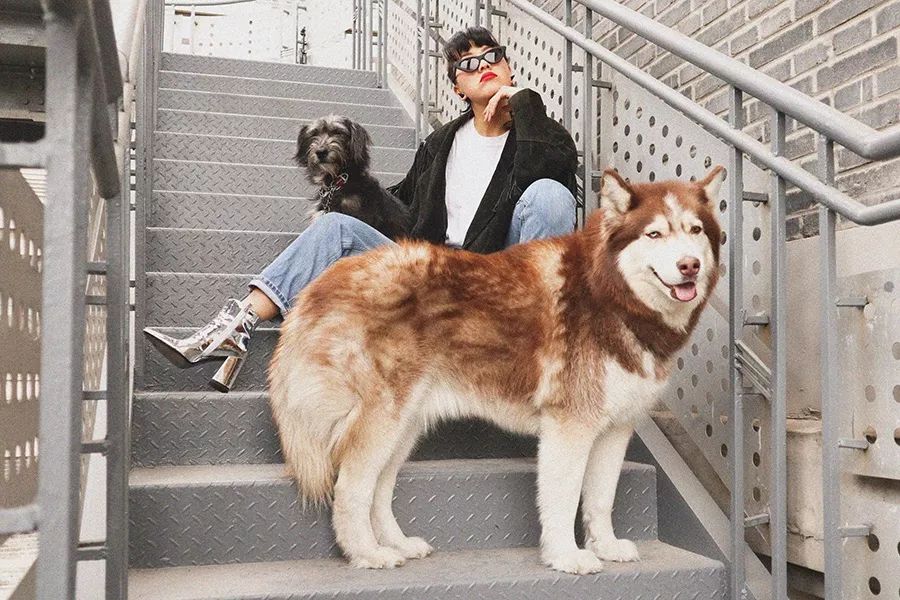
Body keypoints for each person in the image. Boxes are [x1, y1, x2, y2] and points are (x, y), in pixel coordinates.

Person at [143, 26, 579, 391]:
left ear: (509, 67)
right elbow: (400, 201)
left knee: (550, 194)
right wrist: (346, 184)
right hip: (433, 272)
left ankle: (537, 343)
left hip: (497, 281)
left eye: (492, 56)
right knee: (335, 226)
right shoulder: (440, 144)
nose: (483, 65)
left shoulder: (545, 135)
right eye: (468, 63)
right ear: (456, 87)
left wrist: (525, 106)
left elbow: (547, 176)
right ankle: (234, 329)